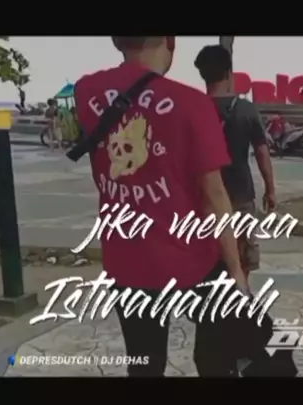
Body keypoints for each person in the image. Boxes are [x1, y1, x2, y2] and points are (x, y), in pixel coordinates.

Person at [74, 36, 248, 377]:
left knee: (143, 364)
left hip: (126, 258)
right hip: (192, 259)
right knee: (216, 358)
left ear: (116, 40)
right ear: (170, 41)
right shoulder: (192, 104)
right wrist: (236, 270)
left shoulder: (86, 91)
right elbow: (214, 196)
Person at [194, 44, 276, 278]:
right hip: (241, 194)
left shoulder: (194, 108)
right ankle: (242, 291)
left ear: (202, 73)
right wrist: (270, 190)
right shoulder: (246, 109)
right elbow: (262, 153)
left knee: (208, 256)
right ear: (229, 73)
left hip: (204, 197)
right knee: (243, 255)